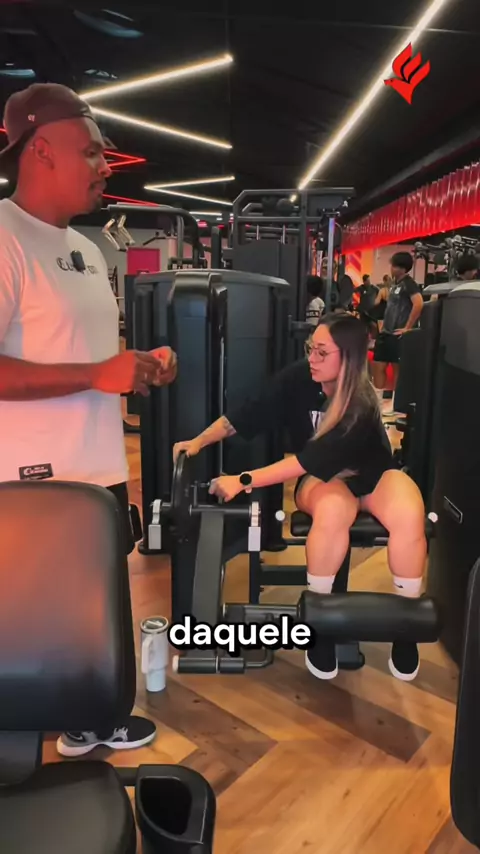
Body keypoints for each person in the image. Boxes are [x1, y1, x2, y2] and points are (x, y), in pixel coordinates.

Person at [0, 82, 177, 757]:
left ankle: (89, 722)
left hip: (97, 466)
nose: (105, 167)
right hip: (35, 481)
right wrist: (96, 374)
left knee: (91, 613)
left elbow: (90, 358)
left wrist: (140, 368)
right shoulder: (4, 237)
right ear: (40, 150)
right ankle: (34, 755)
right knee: (38, 627)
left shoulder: (89, 248)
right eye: (92, 153)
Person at [173, 313, 426, 682]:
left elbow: (305, 460)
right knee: (333, 510)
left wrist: (242, 480)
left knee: (410, 510)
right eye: (311, 348)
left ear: (349, 358)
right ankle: (319, 624)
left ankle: (408, 625)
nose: (312, 358)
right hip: (323, 481)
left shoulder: (360, 401)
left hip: (372, 476)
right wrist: (198, 441)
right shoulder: (298, 378)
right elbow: (244, 415)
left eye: (322, 352)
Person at [372, 252, 423, 413]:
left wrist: (408, 327)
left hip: (398, 334)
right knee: (378, 366)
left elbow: (419, 303)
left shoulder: (409, 284)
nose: (391, 268)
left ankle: (396, 404)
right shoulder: (395, 285)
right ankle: (377, 403)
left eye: (394, 266)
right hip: (385, 333)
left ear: (402, 268)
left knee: (397, 371)